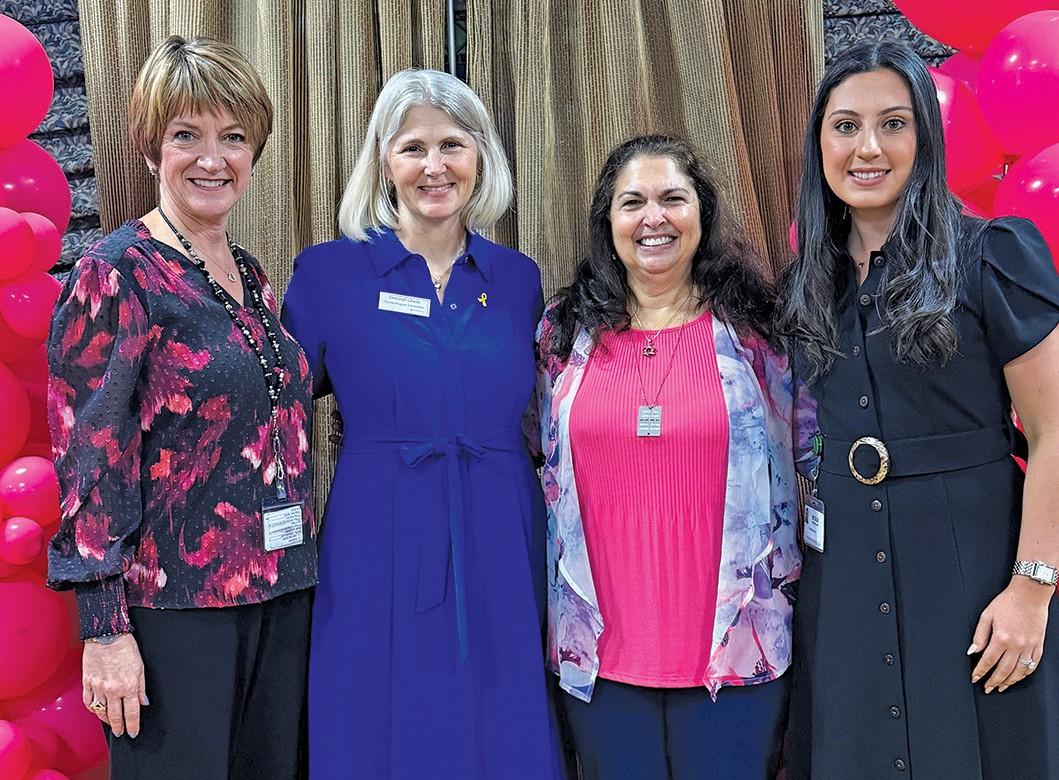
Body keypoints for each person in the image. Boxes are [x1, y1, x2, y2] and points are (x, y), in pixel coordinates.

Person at [778, 41, 1059, 778]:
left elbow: (1058, 433)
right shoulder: (805, 285)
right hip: (845, 569)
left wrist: (1029, 590)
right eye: (845, 126)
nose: (868, 148)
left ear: (926, 137)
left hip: (974, 565)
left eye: (894, 123)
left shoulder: (994, 255)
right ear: (820, 143)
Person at [46, 36, 316, 779]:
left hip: (284, 592)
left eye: (232, 137)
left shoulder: (253, 275)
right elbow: (89, 459)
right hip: (173, 614)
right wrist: (103, 633)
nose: (212, 158)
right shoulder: (115, 274)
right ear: (149, 148)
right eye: (186, 135)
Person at [282, 68, 560, 778]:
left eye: (452, 145)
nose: (433, 166)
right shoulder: (327, 275)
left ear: (481, 157)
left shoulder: (518, 278)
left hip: (499, 525)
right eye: (412, 148)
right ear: (384, 162)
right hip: (377, 527)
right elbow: (269, 414)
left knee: (501, 712)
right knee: (371, 706)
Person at [537, 134, 817, 779]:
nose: (653, 218)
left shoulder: (760, 331)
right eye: (632, 202)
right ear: (607, 222)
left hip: (736, 645)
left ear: (702, 213)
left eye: (673, 199)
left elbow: (813, 449)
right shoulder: (561, 332)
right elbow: (535, 454)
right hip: (599, 654)